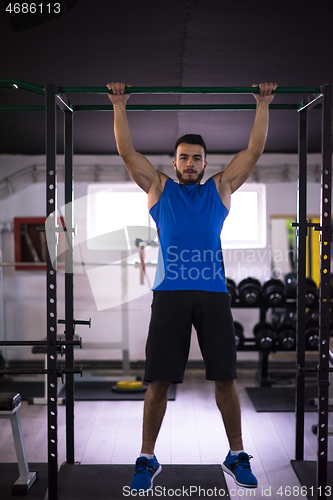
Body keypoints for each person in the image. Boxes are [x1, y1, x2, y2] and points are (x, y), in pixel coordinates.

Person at [107, 81, 277, 492]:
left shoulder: (219, 189)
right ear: (174, 160)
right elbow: (128, 153)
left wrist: (263, 103)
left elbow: (252, 152)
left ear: (204, 163)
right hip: (170, 296)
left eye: (196, 158)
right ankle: (147, 457)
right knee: (159, 381)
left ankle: (236, 454)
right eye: (183, 157)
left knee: (225, 378)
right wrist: (118, 104)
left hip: (214, 295)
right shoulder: (159, 188)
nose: (189, 163)